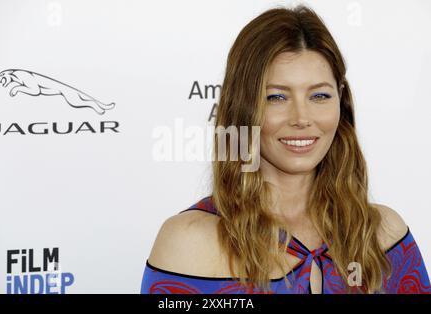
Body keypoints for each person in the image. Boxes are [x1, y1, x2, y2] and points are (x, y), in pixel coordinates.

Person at [140, 4, 430, 294]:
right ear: (243, 107)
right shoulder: (189, 242)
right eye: (276, 97)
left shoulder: (384, 234)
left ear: (341, 102)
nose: (301, 118)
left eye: (319, 95)